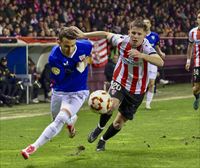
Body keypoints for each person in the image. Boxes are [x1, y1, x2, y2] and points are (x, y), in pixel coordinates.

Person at [77, 18, 164, 151]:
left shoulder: (146, 47)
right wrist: (84, 35)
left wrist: (141, 55)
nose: (135, 36)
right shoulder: (122, 40)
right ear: (129, 31)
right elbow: (106, 34)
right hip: (120, 80)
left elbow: (160, 62)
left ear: (145, 34)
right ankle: (99, 128)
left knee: (118, 124)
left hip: (137, 89)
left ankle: (103, 140)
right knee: (111, 105)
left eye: (139, 34)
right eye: (133, 33)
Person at [21, 26, 93, 159]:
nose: (70, 50)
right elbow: (61, 79)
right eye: (66, 46)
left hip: (78, 93)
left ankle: (32, 147)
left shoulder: (85, 45)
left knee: (59, 120)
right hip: (60, 91)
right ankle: (71, 121)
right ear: (58, 42)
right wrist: (78, 69)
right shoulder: (54, 57)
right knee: (56, 119)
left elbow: (91, 53)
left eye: (73, 45)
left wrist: (87, 61)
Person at [143, 19, 166, 109]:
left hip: (152, 61)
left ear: (150, 25)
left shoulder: (155, 35)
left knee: (151, 83)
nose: (146, 24)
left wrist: (160, 53)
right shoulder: (141, 35)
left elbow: (156, 46)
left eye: (147, 22)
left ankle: (148, 103)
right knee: (142, 83)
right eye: (144, 23)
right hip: (143, 61)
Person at [185, 10, 200, 110]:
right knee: (195, 89)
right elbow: (190, 46)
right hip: (198, 62)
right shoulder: (193, 32)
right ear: (197, 20)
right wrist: (188, 61)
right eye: (199, 17)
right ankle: (197, 97)